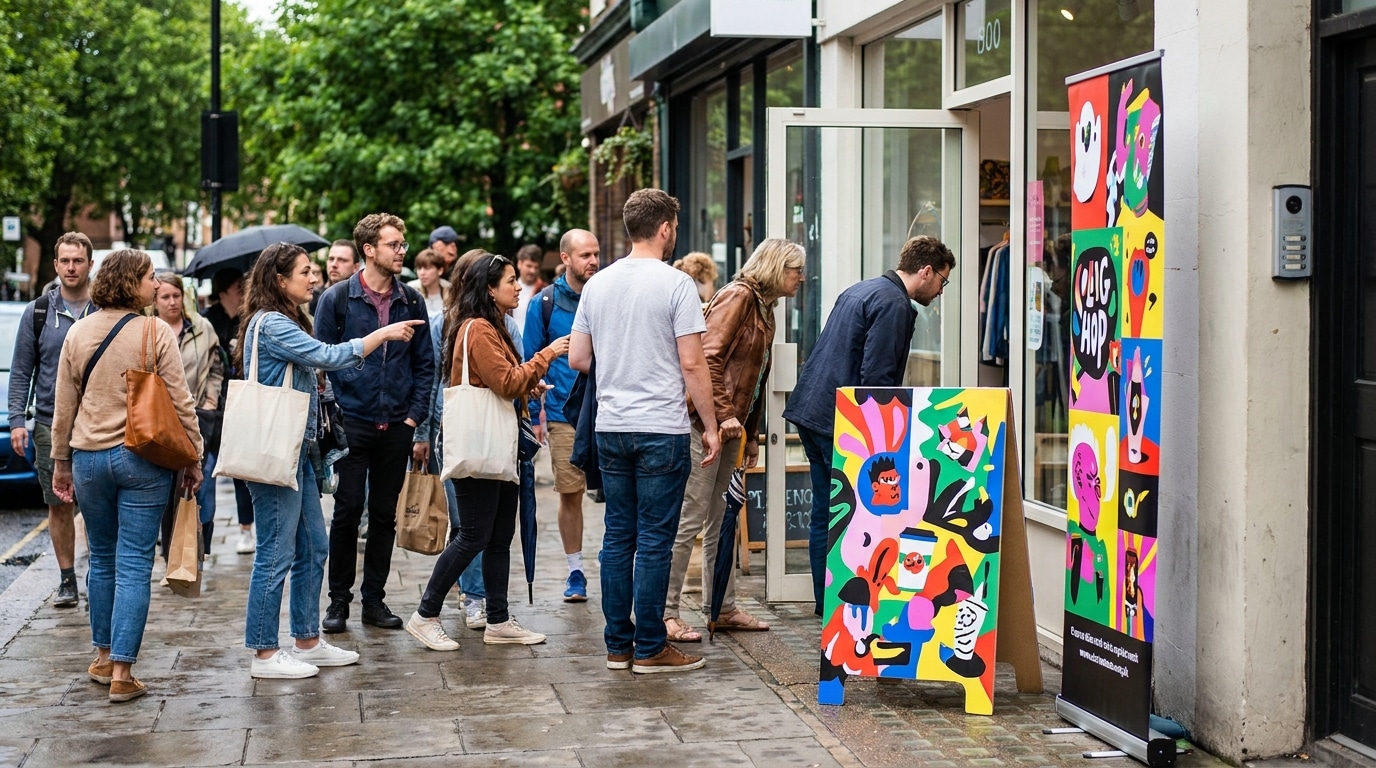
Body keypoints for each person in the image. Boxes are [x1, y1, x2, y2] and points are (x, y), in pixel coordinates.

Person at [235, 243, 424, 679]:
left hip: (298, 452)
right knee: (275, 553)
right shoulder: (273, 325)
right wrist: (383, 334)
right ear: (280, 280)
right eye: (304, 272)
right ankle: (263, 653)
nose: (313, 278)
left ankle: (306, 640)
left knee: (314, 547)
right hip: (274, 453)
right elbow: (330, 356)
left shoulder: (287, 320)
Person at [569, 188, 722, 674]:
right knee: (655, 539)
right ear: (664, 229)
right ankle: (651, 647)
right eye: (673, 227)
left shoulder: (598, 284)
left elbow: (578, 358)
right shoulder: (676, 285)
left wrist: (620, 364)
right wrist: (713, 426)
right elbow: (693, 364)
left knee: (618, 536)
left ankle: (618, 647)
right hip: (661, 427)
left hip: (610, 426)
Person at [49, 249, 204, 703]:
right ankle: (122, 671)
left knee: (101, 557)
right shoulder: (154, 330)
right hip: (142, 459)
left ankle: (101, 655)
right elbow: (181, 400)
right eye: (151, 278)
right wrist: (193, 456)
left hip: (89, 460)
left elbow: (64, 408)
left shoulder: (78, 333)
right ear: (131, 283)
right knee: (135, 561)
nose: (157, 286)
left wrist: (61, 462)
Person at [783, 235, 956, 615]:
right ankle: (843, 608)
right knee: (851, 515)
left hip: (813, 411)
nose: (941, 290)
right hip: (840, 423)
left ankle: (825, 603)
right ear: (925, 271)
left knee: (826, 513)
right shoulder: (895, 304)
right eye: (942, 281)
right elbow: (876, 381)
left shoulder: (862, 289)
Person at [406, 254, 566, 651]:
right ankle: (425, 614)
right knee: (472, 534)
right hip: (481, 445)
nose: (517, 287)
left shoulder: (494, 327)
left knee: (497, 536)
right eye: (510, 281)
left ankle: (498, 619)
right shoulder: (477, 328)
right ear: (490, 289)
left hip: (499, 445)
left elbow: (501, 383)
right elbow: (507, 382)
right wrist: (546, 357)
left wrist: (529, 385)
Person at [663, 238, 805, 642]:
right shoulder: (739, 296)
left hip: (730, 429)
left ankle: (721, 608)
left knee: (721, 521)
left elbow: (756, 378)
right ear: (778, 267)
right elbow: (708, 357)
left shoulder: (766, 308)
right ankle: (665, 613)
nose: (802, 278)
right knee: (690, 519)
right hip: (704, 425)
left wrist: (752, 432)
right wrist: (722, 416)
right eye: (796, 270)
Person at [315, 213, 435, 634]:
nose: (402, 250)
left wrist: (412, 419)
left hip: (396, 424)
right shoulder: (336, 299)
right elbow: (322, 362)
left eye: (403, 244)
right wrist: (339, 413)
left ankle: (374, 602)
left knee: (384, 515)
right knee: (347, 512)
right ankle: (338, 602)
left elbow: (426, 366)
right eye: (394, 244)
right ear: (369, 250)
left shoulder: (412, 300)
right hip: (353, 422)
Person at [8, 232, 97, 607]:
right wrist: (16, 419)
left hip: (97, 423)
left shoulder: (104, 308)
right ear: (56, 264)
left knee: (98, 504)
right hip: (48, 423)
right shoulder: (38, 311)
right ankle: (66, 579)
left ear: (90, 265)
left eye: (78, 261)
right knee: (58, 504)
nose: (72, 267)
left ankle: (99, 575)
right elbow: (20, 370)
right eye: (65, 261)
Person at [413, 248, 491, 631]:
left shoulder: (501, 324)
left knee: (478, 524)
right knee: (465, 524)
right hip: (452, 430)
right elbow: (431, 381)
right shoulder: (441, 323)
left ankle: (477, 593)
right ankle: (471, 596)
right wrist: (423, 433)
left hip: (491, 432)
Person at [523, 229, 599, 602]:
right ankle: (575, 571)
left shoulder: (607, 294)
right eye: (585, 255)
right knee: (571, 492)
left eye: (596, 254)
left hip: (608, 410)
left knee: (616, 492)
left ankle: (617, 561)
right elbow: (532, 360)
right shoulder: (545, 303)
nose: (593, 261)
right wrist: (536, 415)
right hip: (563, 412)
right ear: (565, 258)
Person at [151, 273, 224, 557]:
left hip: (197, 418)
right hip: (160, 421)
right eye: (165, 297)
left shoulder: (202, 328)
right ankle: (169, 548)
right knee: (165, 486)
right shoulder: (150, 330)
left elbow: (217, 367)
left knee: (201, 481)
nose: (172, 302)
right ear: (155, 302)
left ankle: (196, 549)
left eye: (176, 296)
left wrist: (209, 401)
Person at [203, 268, 258, 555]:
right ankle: (201, 530)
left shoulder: (250, 318)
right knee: (205, 469)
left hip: (244, 402)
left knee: (241, 470)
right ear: (223, 290)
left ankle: (246, 530)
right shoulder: (207, 322)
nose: (243, 291)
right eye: (239, 286)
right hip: (214, 405)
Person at [512, 244, 546, 337]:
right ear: (519, 264)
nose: (532, 271)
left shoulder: (545, 292)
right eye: (529, 266)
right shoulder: (508, 289)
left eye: (536, 267)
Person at [407, 248, 450, 315]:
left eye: (427, 268)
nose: (422, 273)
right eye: (419, 268)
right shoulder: (411, 289)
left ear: (440, 270)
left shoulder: (450, 290)